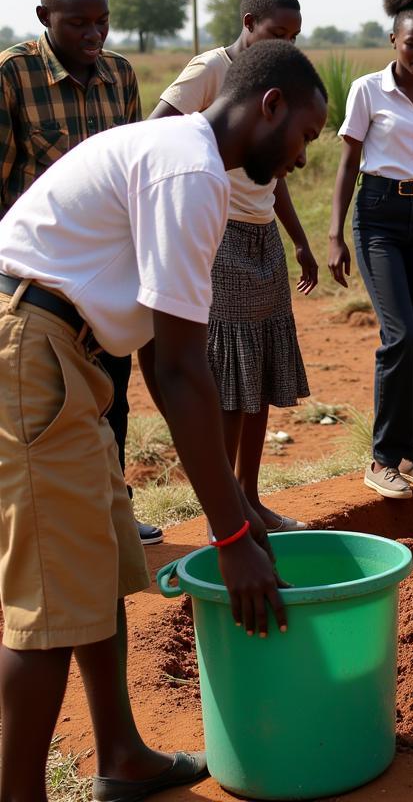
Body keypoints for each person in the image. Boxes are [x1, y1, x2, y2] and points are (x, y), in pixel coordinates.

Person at [0, 39, 327, 802]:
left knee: (101, 556)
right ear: (269, 106)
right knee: (48, 600)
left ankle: (120, 753)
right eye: (306, 136)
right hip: (32, 347)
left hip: (66, 352)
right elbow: (182, 370)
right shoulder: (191, 173)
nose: (303, 160)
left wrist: (233, 507)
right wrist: (234, 533)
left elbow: (160, 348)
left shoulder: (184, 157)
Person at [0, 0, 162, 546]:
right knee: (38, 415)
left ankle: (111, 514)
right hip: (37, 282)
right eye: (78, 24)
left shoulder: (120, 75)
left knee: (110, 394)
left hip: (105, 272)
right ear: (45, 19)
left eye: (103, 22)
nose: (94, 35)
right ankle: (44, 529)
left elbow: (134, 172)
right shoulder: (12, 75)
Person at [150, 0, 315, 532]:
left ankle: (249, 495)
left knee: (261, 369)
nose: (284, 44)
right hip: (215, 233)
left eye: (293, 36)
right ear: (248, 24)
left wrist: (298, 240)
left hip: (261, 234)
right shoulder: (210, 69)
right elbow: (156, 135)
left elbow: (275, 168)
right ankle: (224, 509)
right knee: (225, 374)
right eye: (276, 32)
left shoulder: (278, 79)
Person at [328, 0, 413, 500]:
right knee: (399, 337)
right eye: (412, 44)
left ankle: (410, 453)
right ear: (393, 41)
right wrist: (335, 235)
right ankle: (381, 460)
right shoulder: (367, 90)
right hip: (378, 215)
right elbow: (347, 164)